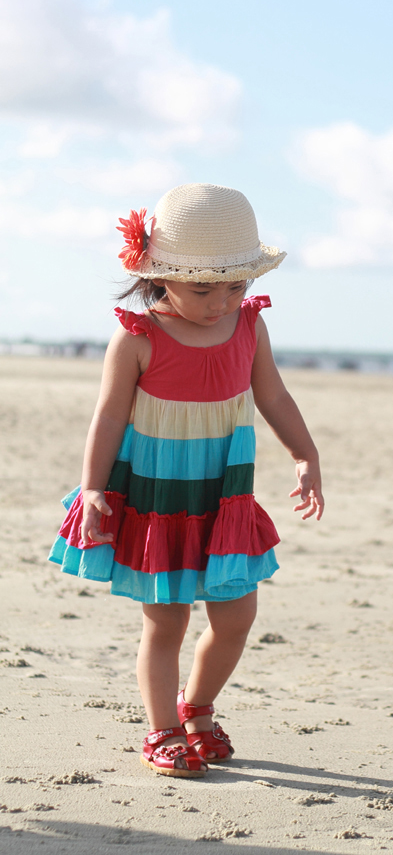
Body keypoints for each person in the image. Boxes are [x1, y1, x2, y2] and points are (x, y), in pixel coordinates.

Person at [49, 183, 324, 779]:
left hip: (224, 495)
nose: (221, 301)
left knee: (236, 617)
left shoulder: (249, 328)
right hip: (162, 497)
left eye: (236, 285)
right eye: (204, 288)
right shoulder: (138, 336)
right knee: (166, 619)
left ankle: (197, 707)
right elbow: (109, 414)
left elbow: (272, 394)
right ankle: (162, 730)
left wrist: (305, 454)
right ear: (160, 276)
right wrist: (92, 486)